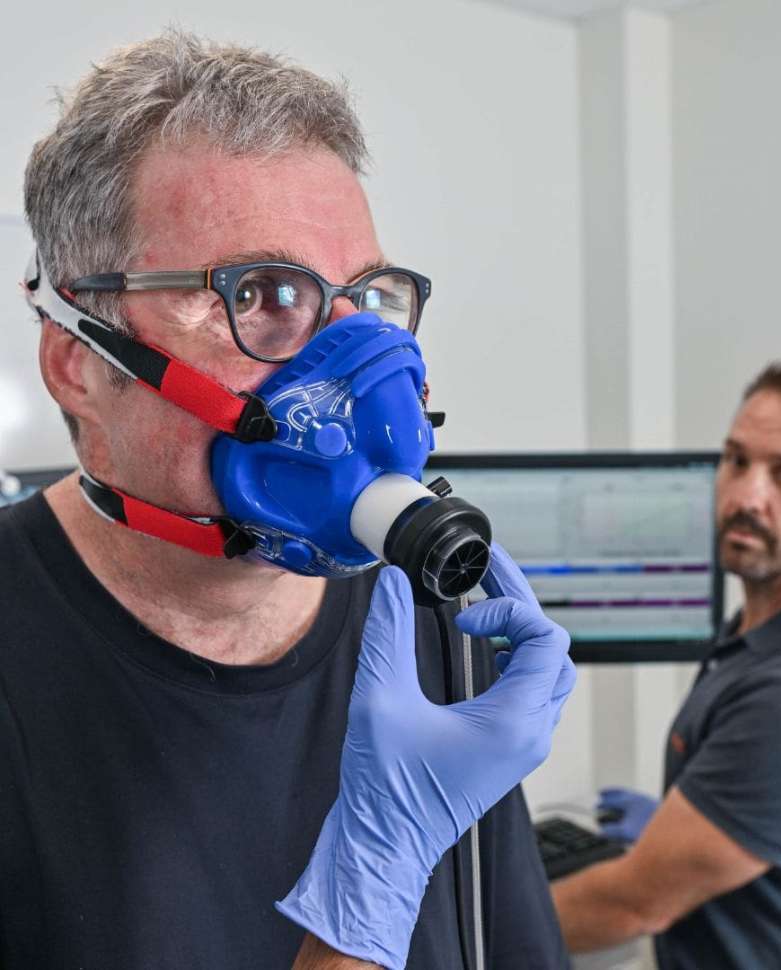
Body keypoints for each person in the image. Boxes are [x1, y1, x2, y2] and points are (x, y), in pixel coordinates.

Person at [1, 31, 575, 970]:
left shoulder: (429, 631)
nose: (361, 372)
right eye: (264, 293)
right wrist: (368, 886)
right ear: (78, 360)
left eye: (368, 299)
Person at [553, 360, 781, 969]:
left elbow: (632, 907)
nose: (746, 495)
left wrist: (461, 929)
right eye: (738, 460)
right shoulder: (771, 626)